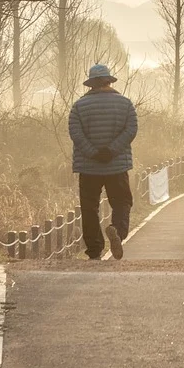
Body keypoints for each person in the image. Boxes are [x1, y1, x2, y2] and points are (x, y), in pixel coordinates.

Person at [68, 64, 137, 260]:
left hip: (88, 167)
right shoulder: (125, 104)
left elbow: (75, 133)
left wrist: (94, 153)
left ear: (91, 84)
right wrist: (112, 150)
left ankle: (94, 249)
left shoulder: (79, 107)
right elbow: (131, 130)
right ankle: (117, 231)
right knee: (122, 202)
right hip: (117, 165)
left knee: (90, 208)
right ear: (109, 81)